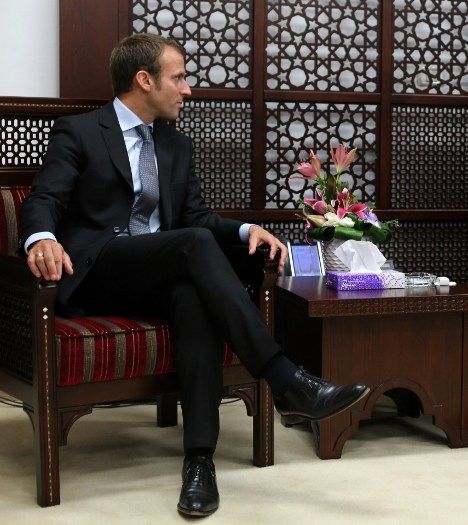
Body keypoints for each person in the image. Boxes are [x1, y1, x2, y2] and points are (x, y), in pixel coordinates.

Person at [20, 33, 369, 516]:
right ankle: (284, 379)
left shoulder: (175, 145)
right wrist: (41, 238)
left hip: (163, 271)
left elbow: (199, 220)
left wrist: (250, 229)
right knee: (195, 248)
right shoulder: (79, 132)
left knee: (192, 293)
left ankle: (199, 462)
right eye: (178, 78)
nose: (188, 90)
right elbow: (44, 200)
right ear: (144, 80)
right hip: (98, 271)